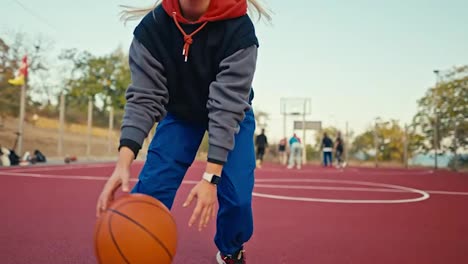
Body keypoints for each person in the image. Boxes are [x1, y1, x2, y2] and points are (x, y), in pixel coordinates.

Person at [95, 1, 271, 263]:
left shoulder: (238, 28)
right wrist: (123, 162)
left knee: (237, 198)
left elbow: (227, 106)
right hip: (181, 114)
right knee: (151, 189)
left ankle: (231, 250)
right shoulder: (153, 28)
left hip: (232, 114)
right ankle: (137, 251)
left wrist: (211, 178)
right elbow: (144, 98)